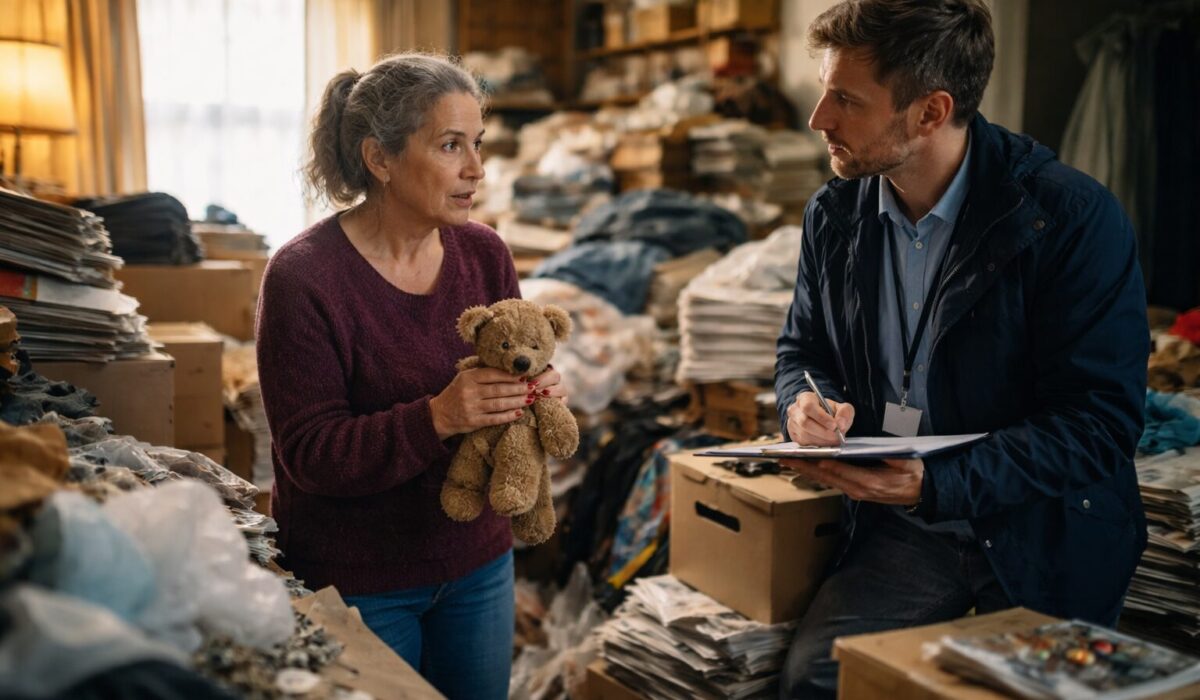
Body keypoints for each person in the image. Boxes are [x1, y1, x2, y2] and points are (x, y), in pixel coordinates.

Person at [774, 1, 1150, 697]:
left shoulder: (1070, 218)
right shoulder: (834, 213)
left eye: (845, 99)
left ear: (929, 111)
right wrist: (803, 401)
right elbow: (802, 347)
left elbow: (1099, 425)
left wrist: (938, 480)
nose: (817, 117)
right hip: (909, 529)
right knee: (819, 681)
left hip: (1045, 528)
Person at [256, 53, 567, 699]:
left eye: (476, 144)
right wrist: (440, 416)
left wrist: (534, 395)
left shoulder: (484, 252)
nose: (476, 168)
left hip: (477, 562)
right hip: (357, 579)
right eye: (450, 145)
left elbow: (516, 365)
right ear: (381, 158)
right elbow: (311, 455)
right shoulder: (303, 278)